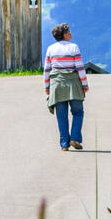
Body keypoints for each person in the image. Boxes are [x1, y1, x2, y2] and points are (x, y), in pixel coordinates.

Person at [44, 23, 89, 151]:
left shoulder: (51, 49)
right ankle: (75, 138)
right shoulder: (73, 47)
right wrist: (84, 84)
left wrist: (47, 86)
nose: (71, 33)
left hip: (57, 84)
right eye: (69, 31)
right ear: (64, 34)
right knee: (78, 112)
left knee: (61, 115)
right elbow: (80, 67)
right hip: (73, 83)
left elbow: (47, 70)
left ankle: (64, 144)